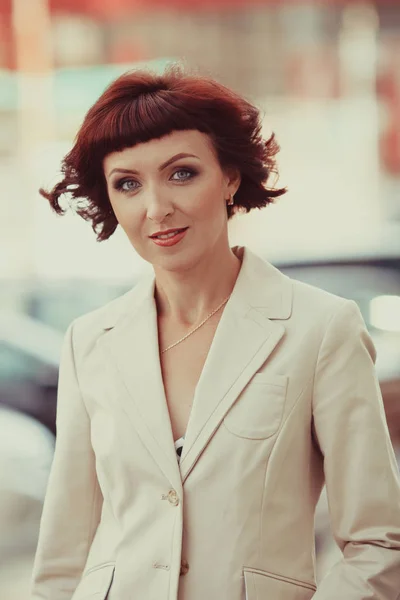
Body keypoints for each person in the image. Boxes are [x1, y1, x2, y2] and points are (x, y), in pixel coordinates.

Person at [30, 64, 400, 600]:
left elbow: (380, 543)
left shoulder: (321, 329)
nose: (156, 208)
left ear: (229, 176)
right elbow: (63, 554)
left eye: (182, 173)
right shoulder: (90, 341)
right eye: (128, 184)